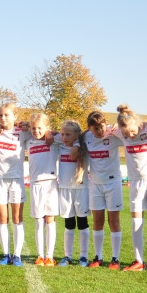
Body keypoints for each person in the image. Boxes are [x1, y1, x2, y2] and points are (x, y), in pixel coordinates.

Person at [112, 105, 147, 272]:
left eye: (132, 130)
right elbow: (100, 129)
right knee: (136, 222)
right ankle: (139, 261)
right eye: (126, 133)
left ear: (138, 123)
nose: (130, 135)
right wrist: (113, 127)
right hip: (136, 183)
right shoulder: (119, 132)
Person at [81, 111, 124, 269]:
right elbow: (73, 136)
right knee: (97, 221)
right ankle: (98, 257)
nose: (100, 131)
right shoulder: (86, 137)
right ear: (89, 128)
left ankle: (115, 258)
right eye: (96, 128)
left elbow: (129, 133)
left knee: (114, 221)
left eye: (102, 126)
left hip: (113, 184)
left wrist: (119, 126)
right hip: (95, 185)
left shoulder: (113, 135)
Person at [0, 104, 26, 267]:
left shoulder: (23, 132)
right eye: (1, 115)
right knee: (2, 219)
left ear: (14, 116)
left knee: (17, 218)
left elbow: (44, 131)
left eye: (6, 115)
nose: (3, 118)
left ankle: (17, 255)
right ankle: (6, 254)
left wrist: (25, 123)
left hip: (16, 180)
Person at [24, 112, 60, 266]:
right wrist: (23, 124)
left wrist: (51, 133)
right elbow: (19, 126)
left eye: (40, 128)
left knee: (50, 220)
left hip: (51, 184)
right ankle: (40, 256)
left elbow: (69, 133)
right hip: (35, 185)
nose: (36, 131)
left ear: (47, 127)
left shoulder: (54, 140)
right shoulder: (28, 141)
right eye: (33, 128)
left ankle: (49, 256)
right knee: (39, 222)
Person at [55, 120, 90, 266]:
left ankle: (83, 257)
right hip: (64, 189)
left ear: (77, 134)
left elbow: (89, 132)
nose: (64, 137)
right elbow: (49, 134)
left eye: (68, 134)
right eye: (62, 134)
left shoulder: (84, 146)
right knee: (68, 223)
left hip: (81, 189)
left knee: (82, 222)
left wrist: (77, 144)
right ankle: (67, 256)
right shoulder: (59, 146)